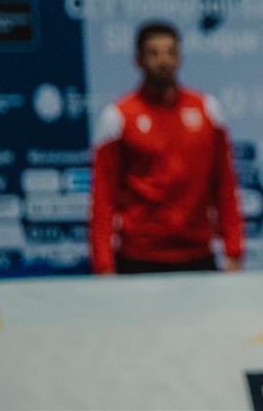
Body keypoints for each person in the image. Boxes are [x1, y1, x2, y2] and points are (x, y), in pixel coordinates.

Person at [88, 21, 243, 274]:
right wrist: (103, 265)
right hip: (138, 257)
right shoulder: (117, 117)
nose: (163, 61)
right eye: (154, 53)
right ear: (138, 60)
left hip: (198, 254)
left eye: (170, 52)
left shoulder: (208, 110)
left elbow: (225, 186)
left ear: (180, 58)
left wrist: (234, 250)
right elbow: (103, 198)